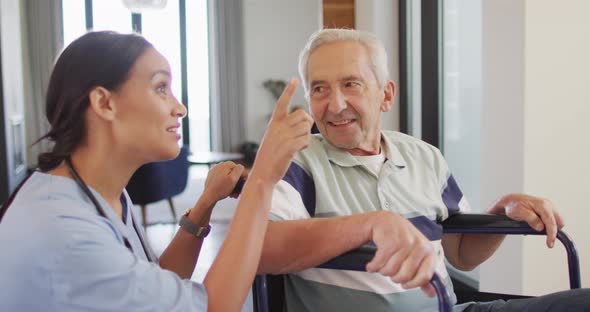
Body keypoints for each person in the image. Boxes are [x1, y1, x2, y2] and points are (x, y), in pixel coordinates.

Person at [258, 28, 590, 311]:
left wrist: (503, 213)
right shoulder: (295, 161)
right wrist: (370, 224)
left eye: (351, 84)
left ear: (385, 95)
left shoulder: (424, 157)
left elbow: (461, 255)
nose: (335, 104)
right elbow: (260, 249)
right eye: (319, 89)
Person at [0, 31, 312, 311]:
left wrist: (204, 205)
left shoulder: (100, 192)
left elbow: (157, 284)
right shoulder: (66, 232)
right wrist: (261, 179)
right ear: (104, 103)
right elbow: (214, 307)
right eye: (161, 88)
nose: (180, 108)